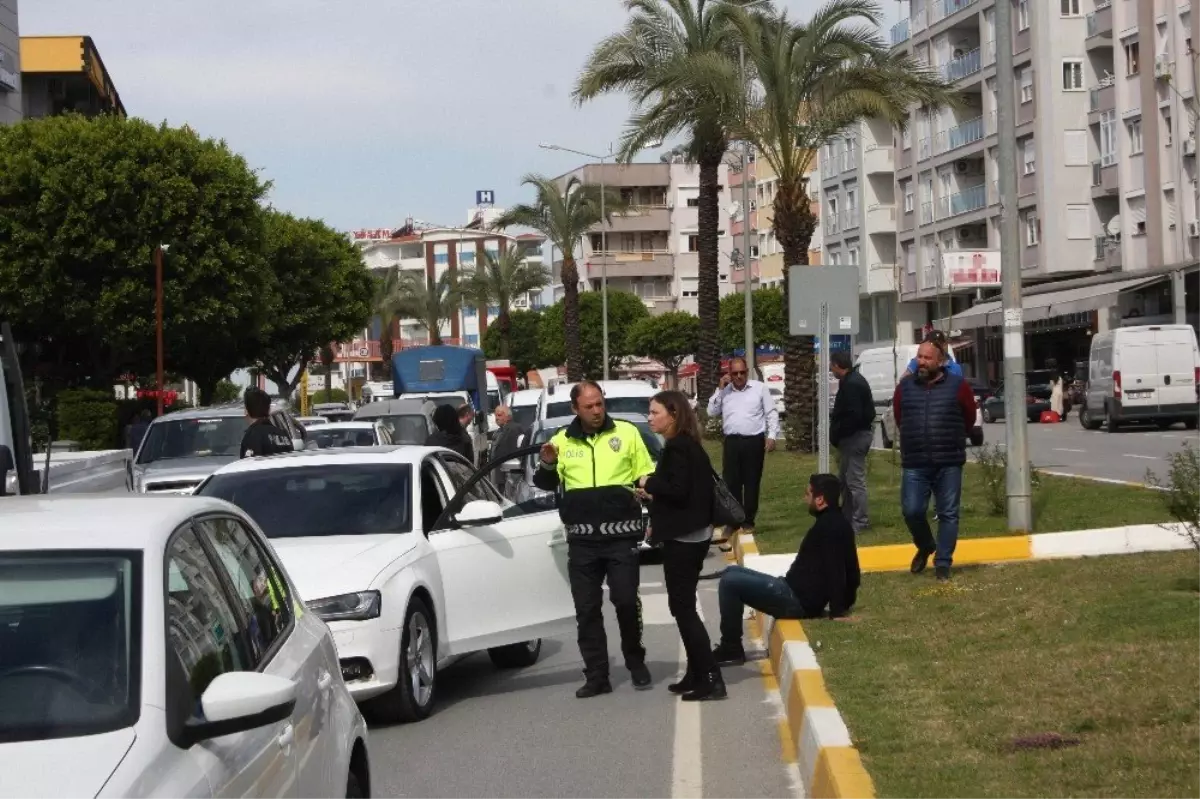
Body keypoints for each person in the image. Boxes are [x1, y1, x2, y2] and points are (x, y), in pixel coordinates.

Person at [534, 380, 656, 698]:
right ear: (575, 409)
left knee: (626, 602)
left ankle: (635, 660)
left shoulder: (627, 433)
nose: (597, 411)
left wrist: (649, 490)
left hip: (621, 539)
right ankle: (597, 674)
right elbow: (545, 483)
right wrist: (547, 462)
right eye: (589, 406)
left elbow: (646, 473)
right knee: (587, 610)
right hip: (583, 543)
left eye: (599, 404)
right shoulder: (560, 441)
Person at [711, 474, 861, 665]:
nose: (805, 498)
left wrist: (838, 611)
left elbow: (838, 570)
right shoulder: (834, 522)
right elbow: (851, 570)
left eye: (808, 494)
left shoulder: (831, 527)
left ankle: (731, 648)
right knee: (731, 572)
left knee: (730, 582)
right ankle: (730, 647)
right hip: (790, 588)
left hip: (797, 600)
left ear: (820, 499)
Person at [636, 390, 723, 701]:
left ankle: (710, 675)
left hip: (685, 540)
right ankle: (697, 671)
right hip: (691, 535)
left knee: (683, 608)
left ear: (673, 415)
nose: (650, 418)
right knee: (680, 606)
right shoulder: (684, 446)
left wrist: (649, 483)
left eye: (655, 412)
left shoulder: (678, 448)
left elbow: (677, 488)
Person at [892, 339, 978, 581]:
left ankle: (943, 565)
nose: (921, 361)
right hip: (915, 462)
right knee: (911, 511)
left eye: (927, 358)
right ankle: (926, 544)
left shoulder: (958, 386)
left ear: (940, 362)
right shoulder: (905, 387)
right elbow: (900, 417)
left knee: (948, 513)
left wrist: (953, 437)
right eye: (919, 356)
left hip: (948, 460)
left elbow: (968, 417)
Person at [706, 357, 779, 536]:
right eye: (735, 373)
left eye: (742, 372)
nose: (739, 376)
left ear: (747, 371)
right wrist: (720, 389)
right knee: (732, 483)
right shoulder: (725, 392)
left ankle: (748, 521)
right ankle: (734, 521)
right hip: (732, 442)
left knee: (752, 482)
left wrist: (771, 436)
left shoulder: (759, 389)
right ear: (729, 374)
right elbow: (711, 411)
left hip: (753, 441)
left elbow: (771, 413)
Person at [829, 352, 876, 533]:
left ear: (837, 365)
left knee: (855, 481)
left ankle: (860, 521)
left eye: (832, 366)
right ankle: (847, 517)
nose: (831, 370)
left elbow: (855, 415)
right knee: (845, 480)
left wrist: (841, 431)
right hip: (850, 438)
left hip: (855, 438)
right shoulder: (849, 381)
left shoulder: (853, 384)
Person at [239, 388, 294, 459]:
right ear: (269, 410)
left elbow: (248, 466)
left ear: (246, 411)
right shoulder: (283, 434)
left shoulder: (252, 435)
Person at [489, 404, 525, 496]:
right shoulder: (499, 431)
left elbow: (515, 454)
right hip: (499, 474)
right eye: (495, 415)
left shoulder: (514, 429)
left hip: (508, 475)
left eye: (499, 415)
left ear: (508, 416)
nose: (496, 418)